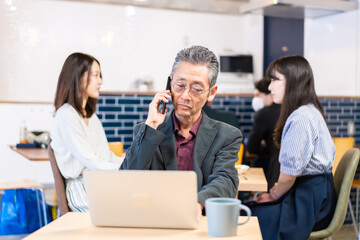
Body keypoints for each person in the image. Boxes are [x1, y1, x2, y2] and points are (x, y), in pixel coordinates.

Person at [120, 45, 243, 216]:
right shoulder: (148, 130)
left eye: (197, 89)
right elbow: (126, 181)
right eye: (179, 85)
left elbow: (225, 180)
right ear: (169, 84)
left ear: (211, 92)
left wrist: (197, 204)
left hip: (199, 223)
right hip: (153, 219)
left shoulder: (227, 135)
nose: (185, 96)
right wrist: (151, 125)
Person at [248, 55, 336, 240]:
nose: (270, 87)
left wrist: (273, 195)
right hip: (315, 198)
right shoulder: (309, 110)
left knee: (247, 217)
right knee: (251, 209)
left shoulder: (300, 117)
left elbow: (289, 176)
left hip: (307, 204)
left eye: (275, 80)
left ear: (294, 82)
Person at [50, 53, 123, 212]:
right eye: (95, 75)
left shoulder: (90, 116)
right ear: (79, 77)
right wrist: (128, 167)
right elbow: (93, 162)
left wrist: (130, 162)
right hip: (81, 190)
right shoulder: (67, 115)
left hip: (97, 183)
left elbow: (106, 156)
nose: (100, 81)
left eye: (100, 75)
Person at [246, 78, 281, 189]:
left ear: (270, 95)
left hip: (277, 169)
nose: (255, 99)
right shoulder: (288, 109)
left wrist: (265, 147)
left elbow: (251, 147)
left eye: (257, 95)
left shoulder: (264, 114)